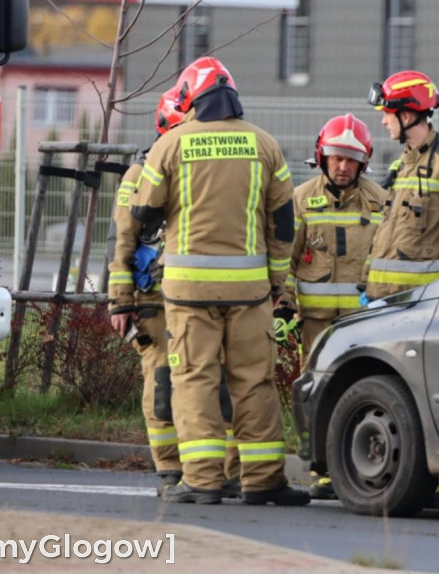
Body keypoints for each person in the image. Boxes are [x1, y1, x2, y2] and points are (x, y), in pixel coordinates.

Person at [130, 56, 308, 506]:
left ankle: (203, 481)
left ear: (191, 98)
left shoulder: (170, 145)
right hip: (251, 292)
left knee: (195, 380)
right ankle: (264, 479)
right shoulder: (264, 145)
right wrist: (275, 281)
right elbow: (283, 224)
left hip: (188, 293)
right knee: (254, 382)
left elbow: (144, 214)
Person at [107, 86, 240, 498]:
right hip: (154, 298)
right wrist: (121, 300)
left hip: (200, 292)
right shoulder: (138, 175)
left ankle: (223, 471)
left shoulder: (200, 168)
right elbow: (124, 241)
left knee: (215, 382)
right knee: (164, 383)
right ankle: (171, 468)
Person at [365, 70, 439, 509]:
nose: (383, 122)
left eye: (387, 113)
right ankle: (402, 478)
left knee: (425, 394)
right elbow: (388, 235)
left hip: (423, 306)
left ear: (410, 112)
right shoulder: (401, 166)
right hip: (385, 301)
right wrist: (369, 287)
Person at [275, 113, 388, 500]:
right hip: (317, 326)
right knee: (317, 394)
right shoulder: (301, 199)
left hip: (363, 322)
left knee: (362, 392)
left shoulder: (381, 201)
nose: (343, 166)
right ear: (321, 157)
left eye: (351, 159)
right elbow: (285, 260)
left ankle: (355, 464)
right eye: (336, 157)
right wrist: (284, 304)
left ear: (364, 161)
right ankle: (320, 470)